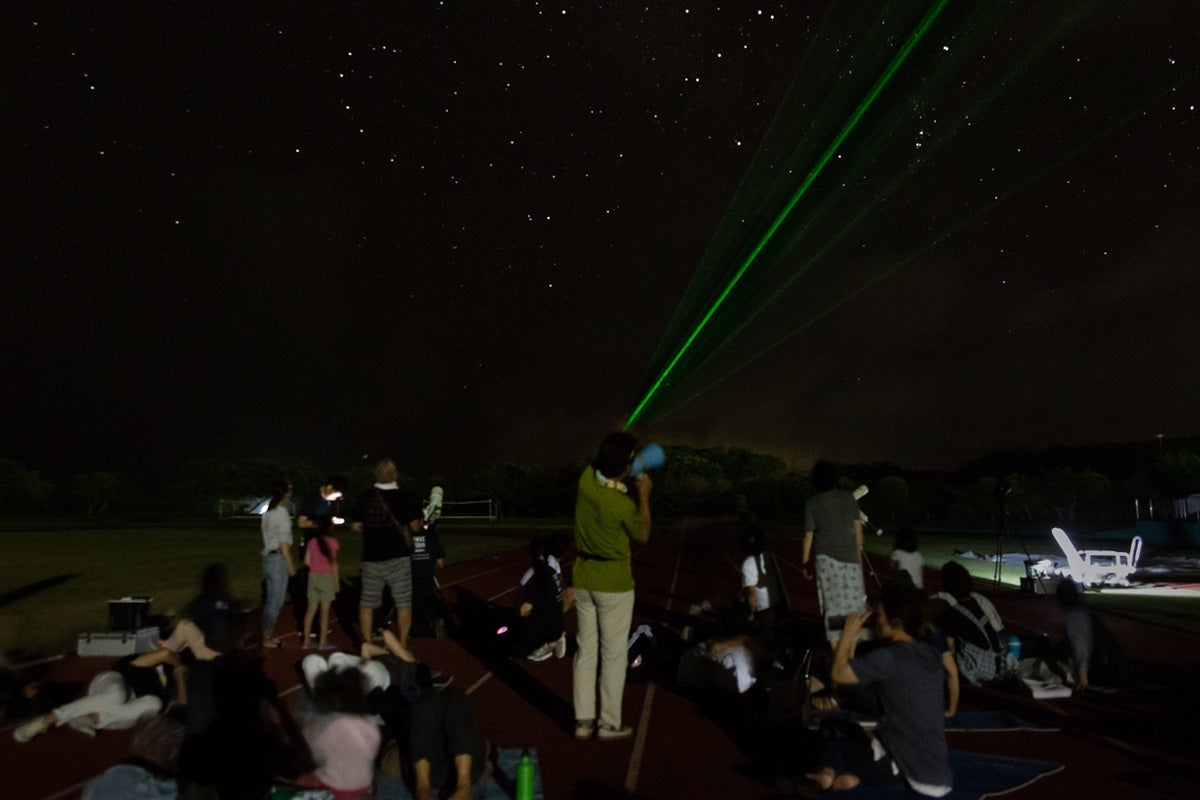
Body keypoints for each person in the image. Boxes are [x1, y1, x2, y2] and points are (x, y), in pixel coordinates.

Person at [804, 586, 954, 796]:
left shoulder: (890, 658)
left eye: (880, 615)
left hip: (899, 773)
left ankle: (826, 774)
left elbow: (838, 674)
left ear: (897, 622)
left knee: (833, 729)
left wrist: (847, 634)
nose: (876, 620)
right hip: (938, 774)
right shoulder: (931, 656)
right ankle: (850, 777)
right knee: (856, 731)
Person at [572, 432, 652, 741]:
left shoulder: (585, 483)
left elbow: (597, 465)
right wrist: (644, 495)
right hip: (614, 583)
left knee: (585, 652)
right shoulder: (621, 505)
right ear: (625, 467)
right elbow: (643, 534)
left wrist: (615, 449)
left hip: (584, 577)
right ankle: (608, 724)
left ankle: (583, 721)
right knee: (614, 655)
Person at [13, 649, 186, 742]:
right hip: (111, 684)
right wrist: (178, 665)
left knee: (155, 704)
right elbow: (165, 654)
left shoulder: (173, 687)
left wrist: (180, 679)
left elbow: (180, 706)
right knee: (116, 696)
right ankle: (49, 719)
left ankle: (88, 718)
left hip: (118, 716)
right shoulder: (142, 663)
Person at [351, 458, 423, 656]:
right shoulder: (404, 497)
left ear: (377, 475)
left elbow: (356, 526)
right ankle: (402, 644)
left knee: (367, 603)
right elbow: (415, 527)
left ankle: (367, 643)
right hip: (398, 558)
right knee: (403, 603)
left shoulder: (365, 497)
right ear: (395, 475)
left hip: (371, 558)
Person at [800, 461, 867, 643]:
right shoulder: (848, 498)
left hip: (825, 563)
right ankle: (852, 651)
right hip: (850, 561)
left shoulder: (812, 503)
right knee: (854, 609)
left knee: (832, 610)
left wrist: (805, 563)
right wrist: (858, 557)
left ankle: (836, 649)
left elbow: (808, 536)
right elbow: (857, 529)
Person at [932, 561, 1008, 686]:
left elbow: (947, 650)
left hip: (985, 669)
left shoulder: (953, 614)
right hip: (1000, 662)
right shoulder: (975, 603)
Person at [293, 478, 347, 639]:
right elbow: (301, 522)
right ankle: (309, 627)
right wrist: (322, 524)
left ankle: (314, 626)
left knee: (315, 591)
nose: (336, 499)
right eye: (336, 495)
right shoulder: (312, 499)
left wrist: (331, 521)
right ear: (329, 487)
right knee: (311, 591)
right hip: (312, 547)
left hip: (322, 546)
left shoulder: (326, 502)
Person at [514, 537, 567, 661]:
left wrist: (518, 614)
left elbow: (523, 609)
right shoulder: (551, 569)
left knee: (521, 619)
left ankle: (546, 645)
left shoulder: (539, 575)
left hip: (550, 624)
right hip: (559, 620)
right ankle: (557, 636)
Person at [262, 480, 298, 647]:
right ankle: (266, 637)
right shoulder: (281, 513)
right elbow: (284, 545)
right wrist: (292, 570)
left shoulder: (268, 513)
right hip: (278, 560)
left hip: (268, 560)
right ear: (285, 493)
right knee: (276, 602)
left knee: (271, 601)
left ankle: (266, 634)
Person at [303, 516, 341, 650]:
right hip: (326, 578)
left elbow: (306, 561)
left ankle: (306, 641)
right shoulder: (332, 542)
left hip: (313, 577)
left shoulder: (312, 542)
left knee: (311, 610)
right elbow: (334, 563)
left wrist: (316, 566)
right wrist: (336, 582)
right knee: (325, 611)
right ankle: (322, 642)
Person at [740, 524, 786, 635]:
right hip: (779, 604)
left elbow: (751, 595)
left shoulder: (747, 564)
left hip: (766, 610)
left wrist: (751, 616)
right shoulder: (768, 556)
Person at [410, 516, 446, 638]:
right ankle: (430, 626)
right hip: (427, 576)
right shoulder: (432, 537)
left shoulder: (407, 537)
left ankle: (415, 629)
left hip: (411, 576)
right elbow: (440, 563)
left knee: (414, 603)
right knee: (428, 601)